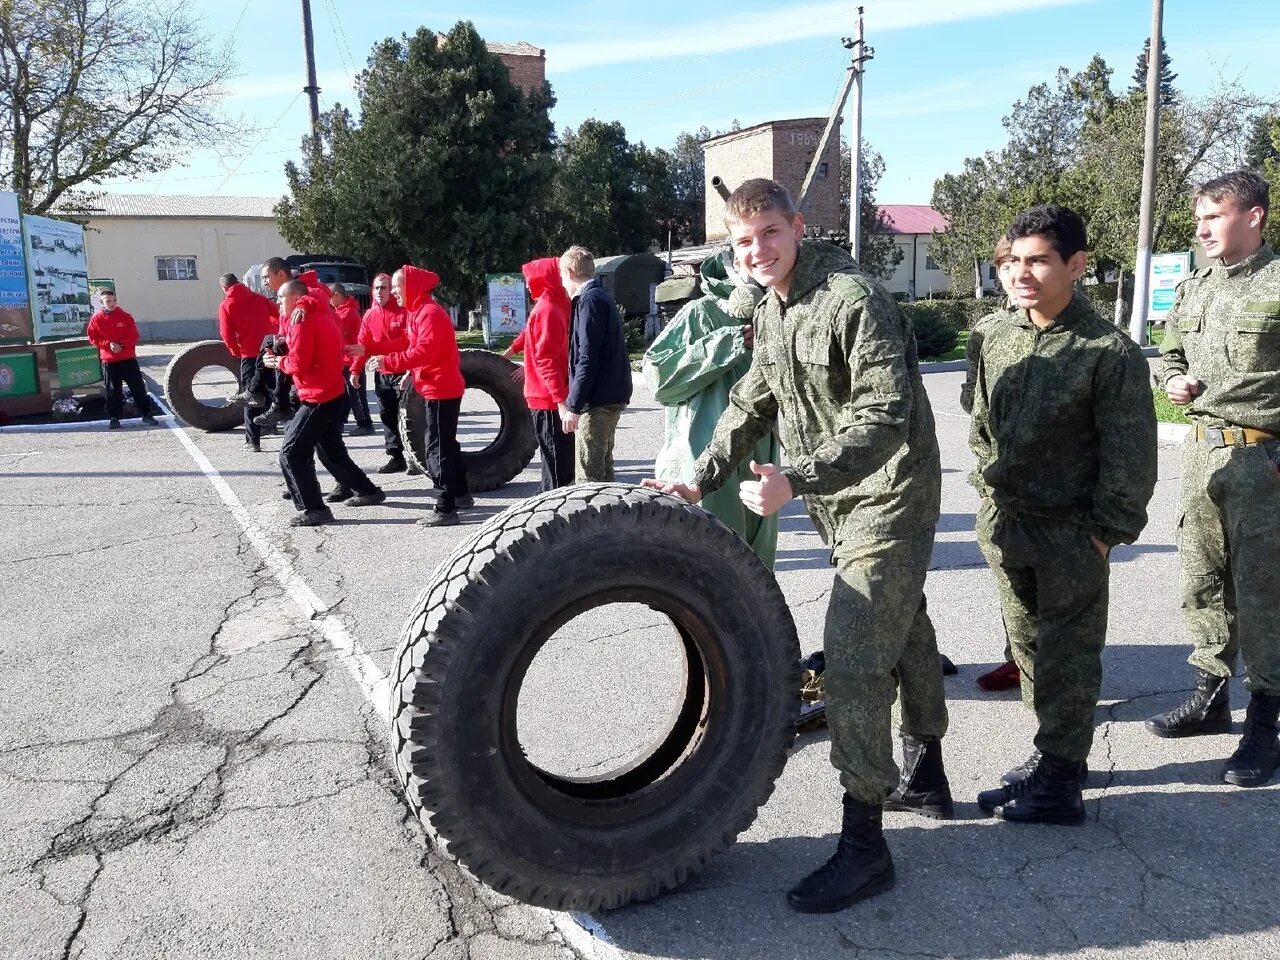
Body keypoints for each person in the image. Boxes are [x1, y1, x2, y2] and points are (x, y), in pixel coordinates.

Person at [645, 179, 951, 914]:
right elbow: (754, 398)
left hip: (891, 491)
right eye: (743, 241)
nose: (757, 251)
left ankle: (865, 844)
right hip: (838, 497)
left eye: (769, 235)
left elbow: (887, 413)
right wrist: (700, 477)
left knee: (850, 653)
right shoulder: (775, 307)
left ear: (797, 227)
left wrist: (796, 478)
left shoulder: (852, 299)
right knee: (903, 624)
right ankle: (928, 770)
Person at [969, 206, 1157, 823]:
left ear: (1075, 266)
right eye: (1012, 261)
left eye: (1039, 260)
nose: (1022, 273)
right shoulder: (993, 334)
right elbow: (979, 422)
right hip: (1008, 526)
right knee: (1028, 649)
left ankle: (1059, 786)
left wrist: (1105, 535)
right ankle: (1057, 755)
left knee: (1070, 652)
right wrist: (987, 493)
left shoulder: (1108, 351)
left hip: (1071, 531)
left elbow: (1130, 455)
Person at [1147, 170, 1280, 787]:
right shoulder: (1195, 286)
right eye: (1198, 218)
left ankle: (1266, 723)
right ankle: (1210, 696)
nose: (1201, 229)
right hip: (1203, 455)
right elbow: (1169, 353)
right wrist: (1171, 381)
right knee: (1201, 578)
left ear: (1253, 217)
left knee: (1263, 595)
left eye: (1214, 216)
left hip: (1264, 462)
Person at [643, 249, 778, 564]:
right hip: (699, 456)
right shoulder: (699, 314)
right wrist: (725, 344)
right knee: (705, 564)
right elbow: (658, 378)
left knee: (754, 570)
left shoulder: (776, 317)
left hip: (758, 458)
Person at [265, 279, 385, 527]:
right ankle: (368, 491)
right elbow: (320, 294)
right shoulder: (325, 310)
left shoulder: (303, 319)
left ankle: (314, 509)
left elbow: (299, 363)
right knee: (330, 451)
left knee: (292, 452)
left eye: (280, 298)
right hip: (333, 392)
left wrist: (278, 363)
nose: (277, 303)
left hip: (318, 396)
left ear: (296, 298)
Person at [359, 265, 470, 526]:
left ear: (412, 287)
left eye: (398, 287)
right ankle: (461, 494)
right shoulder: (418, 312)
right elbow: (420, 350)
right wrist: (410, 368)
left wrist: (390, 363)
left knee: (436, 449)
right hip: (437, 386)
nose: (395, 292)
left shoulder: (428, 313)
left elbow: (425, 352)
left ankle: (445, 508)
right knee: (446, 445)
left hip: (442, 388)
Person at [963, 237, 1023, 693]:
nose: (1011, 275)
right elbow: (972, 396)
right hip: (997, 472)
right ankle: (1016, 657)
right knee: (1009, 576)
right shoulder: (987, 330)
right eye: (1003, 267)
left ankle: (1054, 678)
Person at [559, 246, 632, 481]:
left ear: (570, 272)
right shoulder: (599, 296)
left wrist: (574, 406)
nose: (562, 283)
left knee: (589, 478)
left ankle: (597, 518)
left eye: (562, 276)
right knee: (603, 469)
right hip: (609, 395)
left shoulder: (589, 300)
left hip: (598, 400)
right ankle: (612, 517)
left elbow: (587, 357)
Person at [503, 257, 574, 491]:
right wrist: (514, 349)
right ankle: (551, 503)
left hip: (548, 398)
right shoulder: (552, 305)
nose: (526, 285)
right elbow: (538, 345)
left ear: (542, 279)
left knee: (555, 462)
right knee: (556, 461)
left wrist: (560, 399)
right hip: (549, 396)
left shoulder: (550, 307)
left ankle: (551, 505)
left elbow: (544, 355)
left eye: (528, 280)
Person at [351, 273, 411, 474]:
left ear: (391, 290)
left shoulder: (404, 312)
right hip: (382, 372)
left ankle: (414, 455)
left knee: (409, 414)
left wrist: (375, 349)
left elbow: (406, 343)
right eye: (376, 288)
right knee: (387, 414)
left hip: (404, 371)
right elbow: (362, 345)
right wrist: (355, 370)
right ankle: (396, 456)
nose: (379, 292)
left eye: (384, 288)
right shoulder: (369, 315)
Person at [218, 273, 277, 451]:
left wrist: (237, 352)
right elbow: (278, 314)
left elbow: (227, 335)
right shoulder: (259, 298)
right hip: (270, 350)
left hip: (250, 354)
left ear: (224, 288)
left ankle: (253, 442)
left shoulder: (227, 305)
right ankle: (274, 425)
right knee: (275, 391)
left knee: (250, 397)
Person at [86, 290, 158, 429]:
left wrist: (122, 345)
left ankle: (147, 414)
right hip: (109, 361)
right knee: (113, 391)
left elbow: (134, 335)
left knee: (137, 388)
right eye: (108, 301)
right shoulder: (96, 319)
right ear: (102, 302)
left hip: (128, 359)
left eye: (113, 300)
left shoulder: (125, 317)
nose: (112, 303)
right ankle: (114, 418)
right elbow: (93, 338)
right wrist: (108, 344)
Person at [252, 257, 300, 431]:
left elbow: (319, 296)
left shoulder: (308, 292)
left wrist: (305, 304)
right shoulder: (284, 305)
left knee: (299, 442)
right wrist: (273, 348)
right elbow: (283, 332)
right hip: (292, 374)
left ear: (280, 274)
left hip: (307, 379)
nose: (264, 283)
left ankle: (259, 394)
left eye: (266, 277)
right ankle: (258, 393)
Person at [331, 282, 375, 436]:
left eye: (330, 297)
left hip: (352, 360)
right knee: (345, 394)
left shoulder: (347, 312)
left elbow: (336, 334)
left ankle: (365, 423)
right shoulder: (343, 310)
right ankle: (341, 422)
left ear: (336, 294)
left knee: (356, 394)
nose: (329, 301)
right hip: (346, 360)